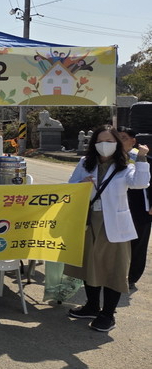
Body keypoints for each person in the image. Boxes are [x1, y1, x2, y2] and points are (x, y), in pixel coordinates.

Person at [65, 125, 149, 332]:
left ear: (117, 144)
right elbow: (70, 185)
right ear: (94, 143)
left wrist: (142, 158)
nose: (105, 145)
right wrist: (81, 183)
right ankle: (92, 306)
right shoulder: (85, 163)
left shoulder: (126, 165)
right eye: (100, 141)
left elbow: (140, 183)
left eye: (110, 141)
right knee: (89, 265)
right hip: (89, 221)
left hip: (114, 223)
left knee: (113, 269)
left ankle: (108, 314)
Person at [117, 127, 152, 289]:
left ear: (133, 141)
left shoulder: (144, 158)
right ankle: (113, 274)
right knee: (116, 242)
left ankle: (131, 277)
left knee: (137, 244)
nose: (119, 141)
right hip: (116, 205)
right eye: (116, 138)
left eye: (123, 138)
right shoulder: (106, 159)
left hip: (140, 207)